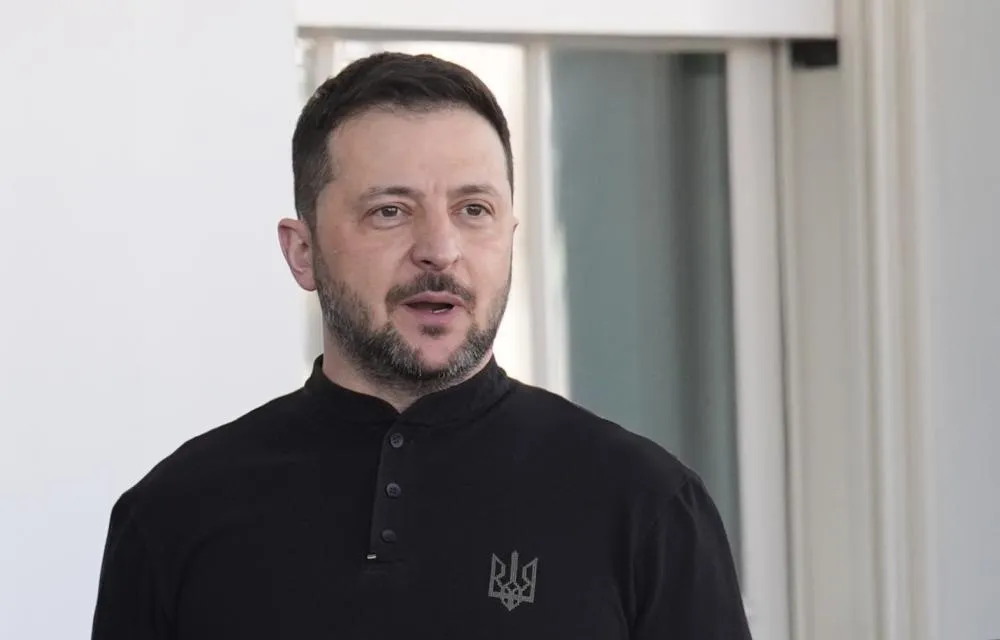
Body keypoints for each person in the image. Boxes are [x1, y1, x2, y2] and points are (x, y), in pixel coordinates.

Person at [91, 52, 752, 639]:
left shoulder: (645, 504)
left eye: (474, 210)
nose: (440, 249)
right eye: (390, 210)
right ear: (302, 252)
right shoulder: (175, 513)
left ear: (510, 235)